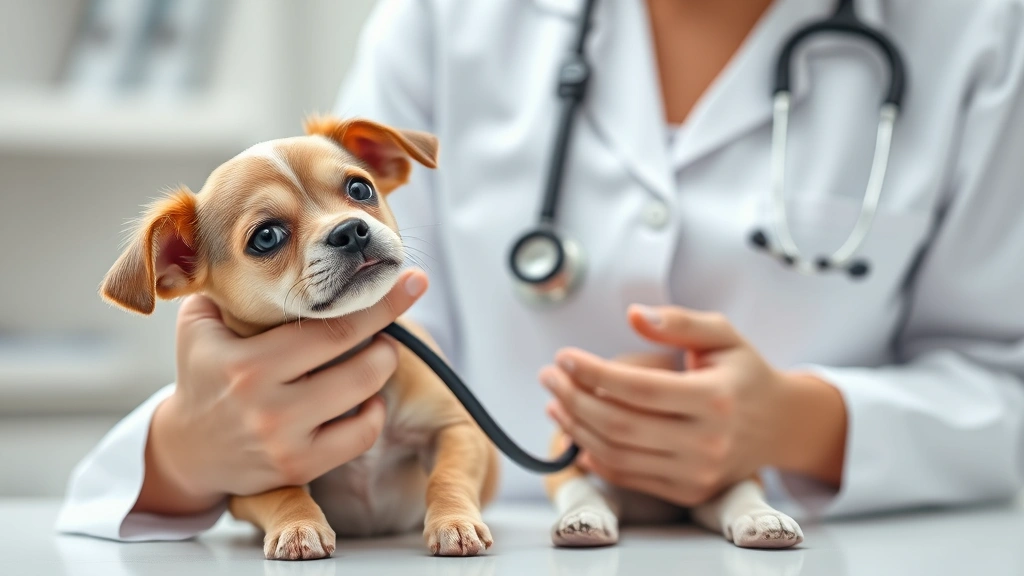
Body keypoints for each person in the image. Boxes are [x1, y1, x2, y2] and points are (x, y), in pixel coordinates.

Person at [58, 0, 1024, 541]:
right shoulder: (441, 20)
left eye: (362, 196)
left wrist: (807, 423)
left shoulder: (978, 33)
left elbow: (1003, 381)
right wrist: (189, 449)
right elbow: (304, 310)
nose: (347, 225)